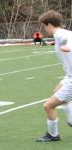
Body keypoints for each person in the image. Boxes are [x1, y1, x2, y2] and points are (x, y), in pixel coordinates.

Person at [36, 10, 72, 142]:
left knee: (48, 106)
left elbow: (70, 39)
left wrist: (68, 47)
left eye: (44, 26)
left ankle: (53, 135)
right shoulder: (63, 33)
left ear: (49, 24)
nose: (45, 30)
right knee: (57, 90)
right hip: (69, 77)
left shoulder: (59, 34)